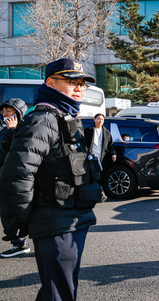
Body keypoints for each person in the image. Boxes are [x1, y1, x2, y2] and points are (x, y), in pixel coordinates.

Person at [0, 58, 102, 300]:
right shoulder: (42, 119)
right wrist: (23, 220)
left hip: (72, 219)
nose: (79, 88)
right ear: (50, 82)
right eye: (71, 82)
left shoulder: (64, 116)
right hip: (55, 222)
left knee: (58, 291)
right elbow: (17, 174)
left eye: (82, 83)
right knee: (59, 293)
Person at [0, 98, 29, 258]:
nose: (4, 114)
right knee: (7, 212)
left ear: (18, 113)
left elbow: (17, 151)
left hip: (16, 180)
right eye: (3, 111)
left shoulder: (22, 130)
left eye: (8, 111)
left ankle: (20, 243)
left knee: (14, 212)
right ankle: (19, 242)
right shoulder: (4, 129)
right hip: (5, 177)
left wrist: (11, 130)